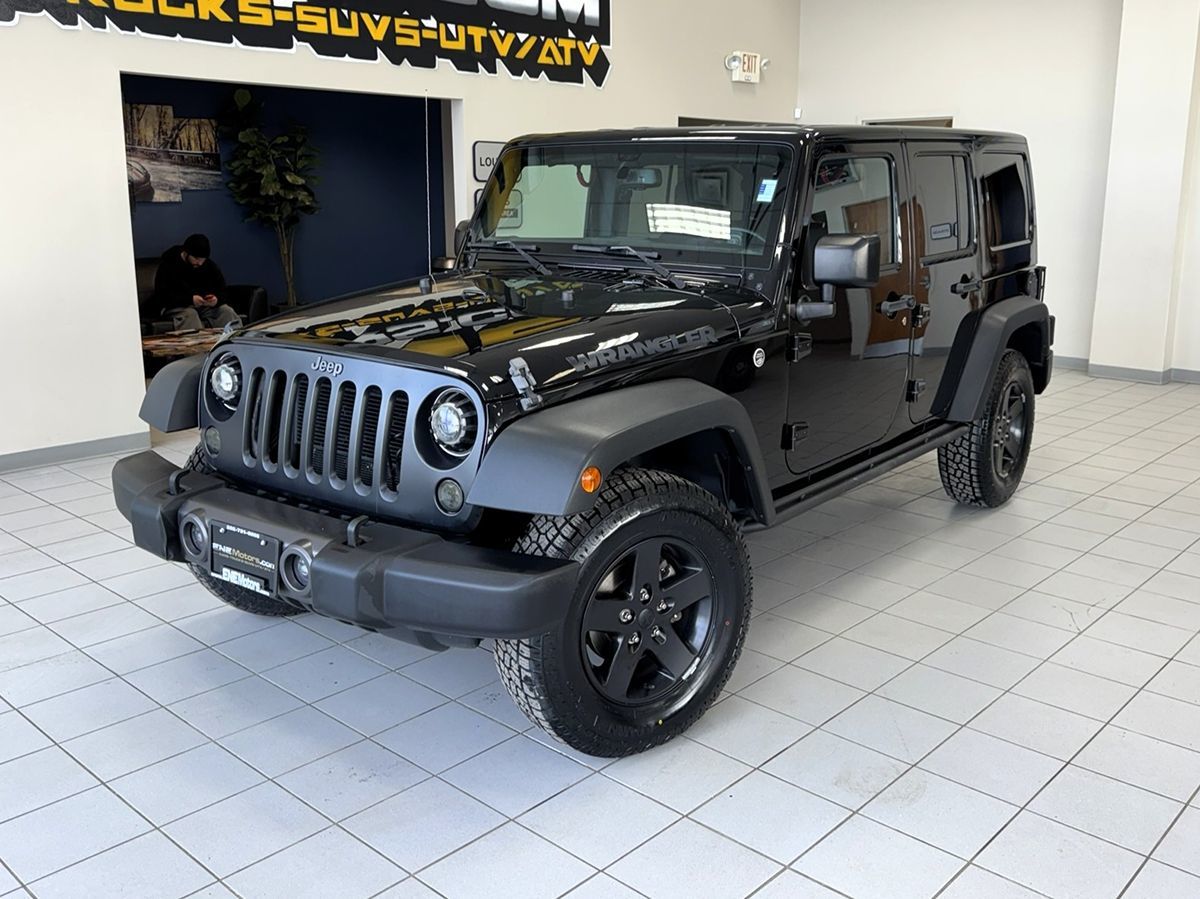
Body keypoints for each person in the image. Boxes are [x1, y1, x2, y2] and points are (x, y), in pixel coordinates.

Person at [149, 234, 242, 330]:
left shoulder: (209, 266)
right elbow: (163, 295)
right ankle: (199, 344)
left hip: (204, 307)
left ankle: (233, 343)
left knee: (226, 311)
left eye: (203, 260)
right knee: (190, 314)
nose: (200, 263)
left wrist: (216, 299)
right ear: (186, 253)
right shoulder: (169, 264)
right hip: (176, 306)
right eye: (196, 259)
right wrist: (190, 299)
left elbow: (222, 289)